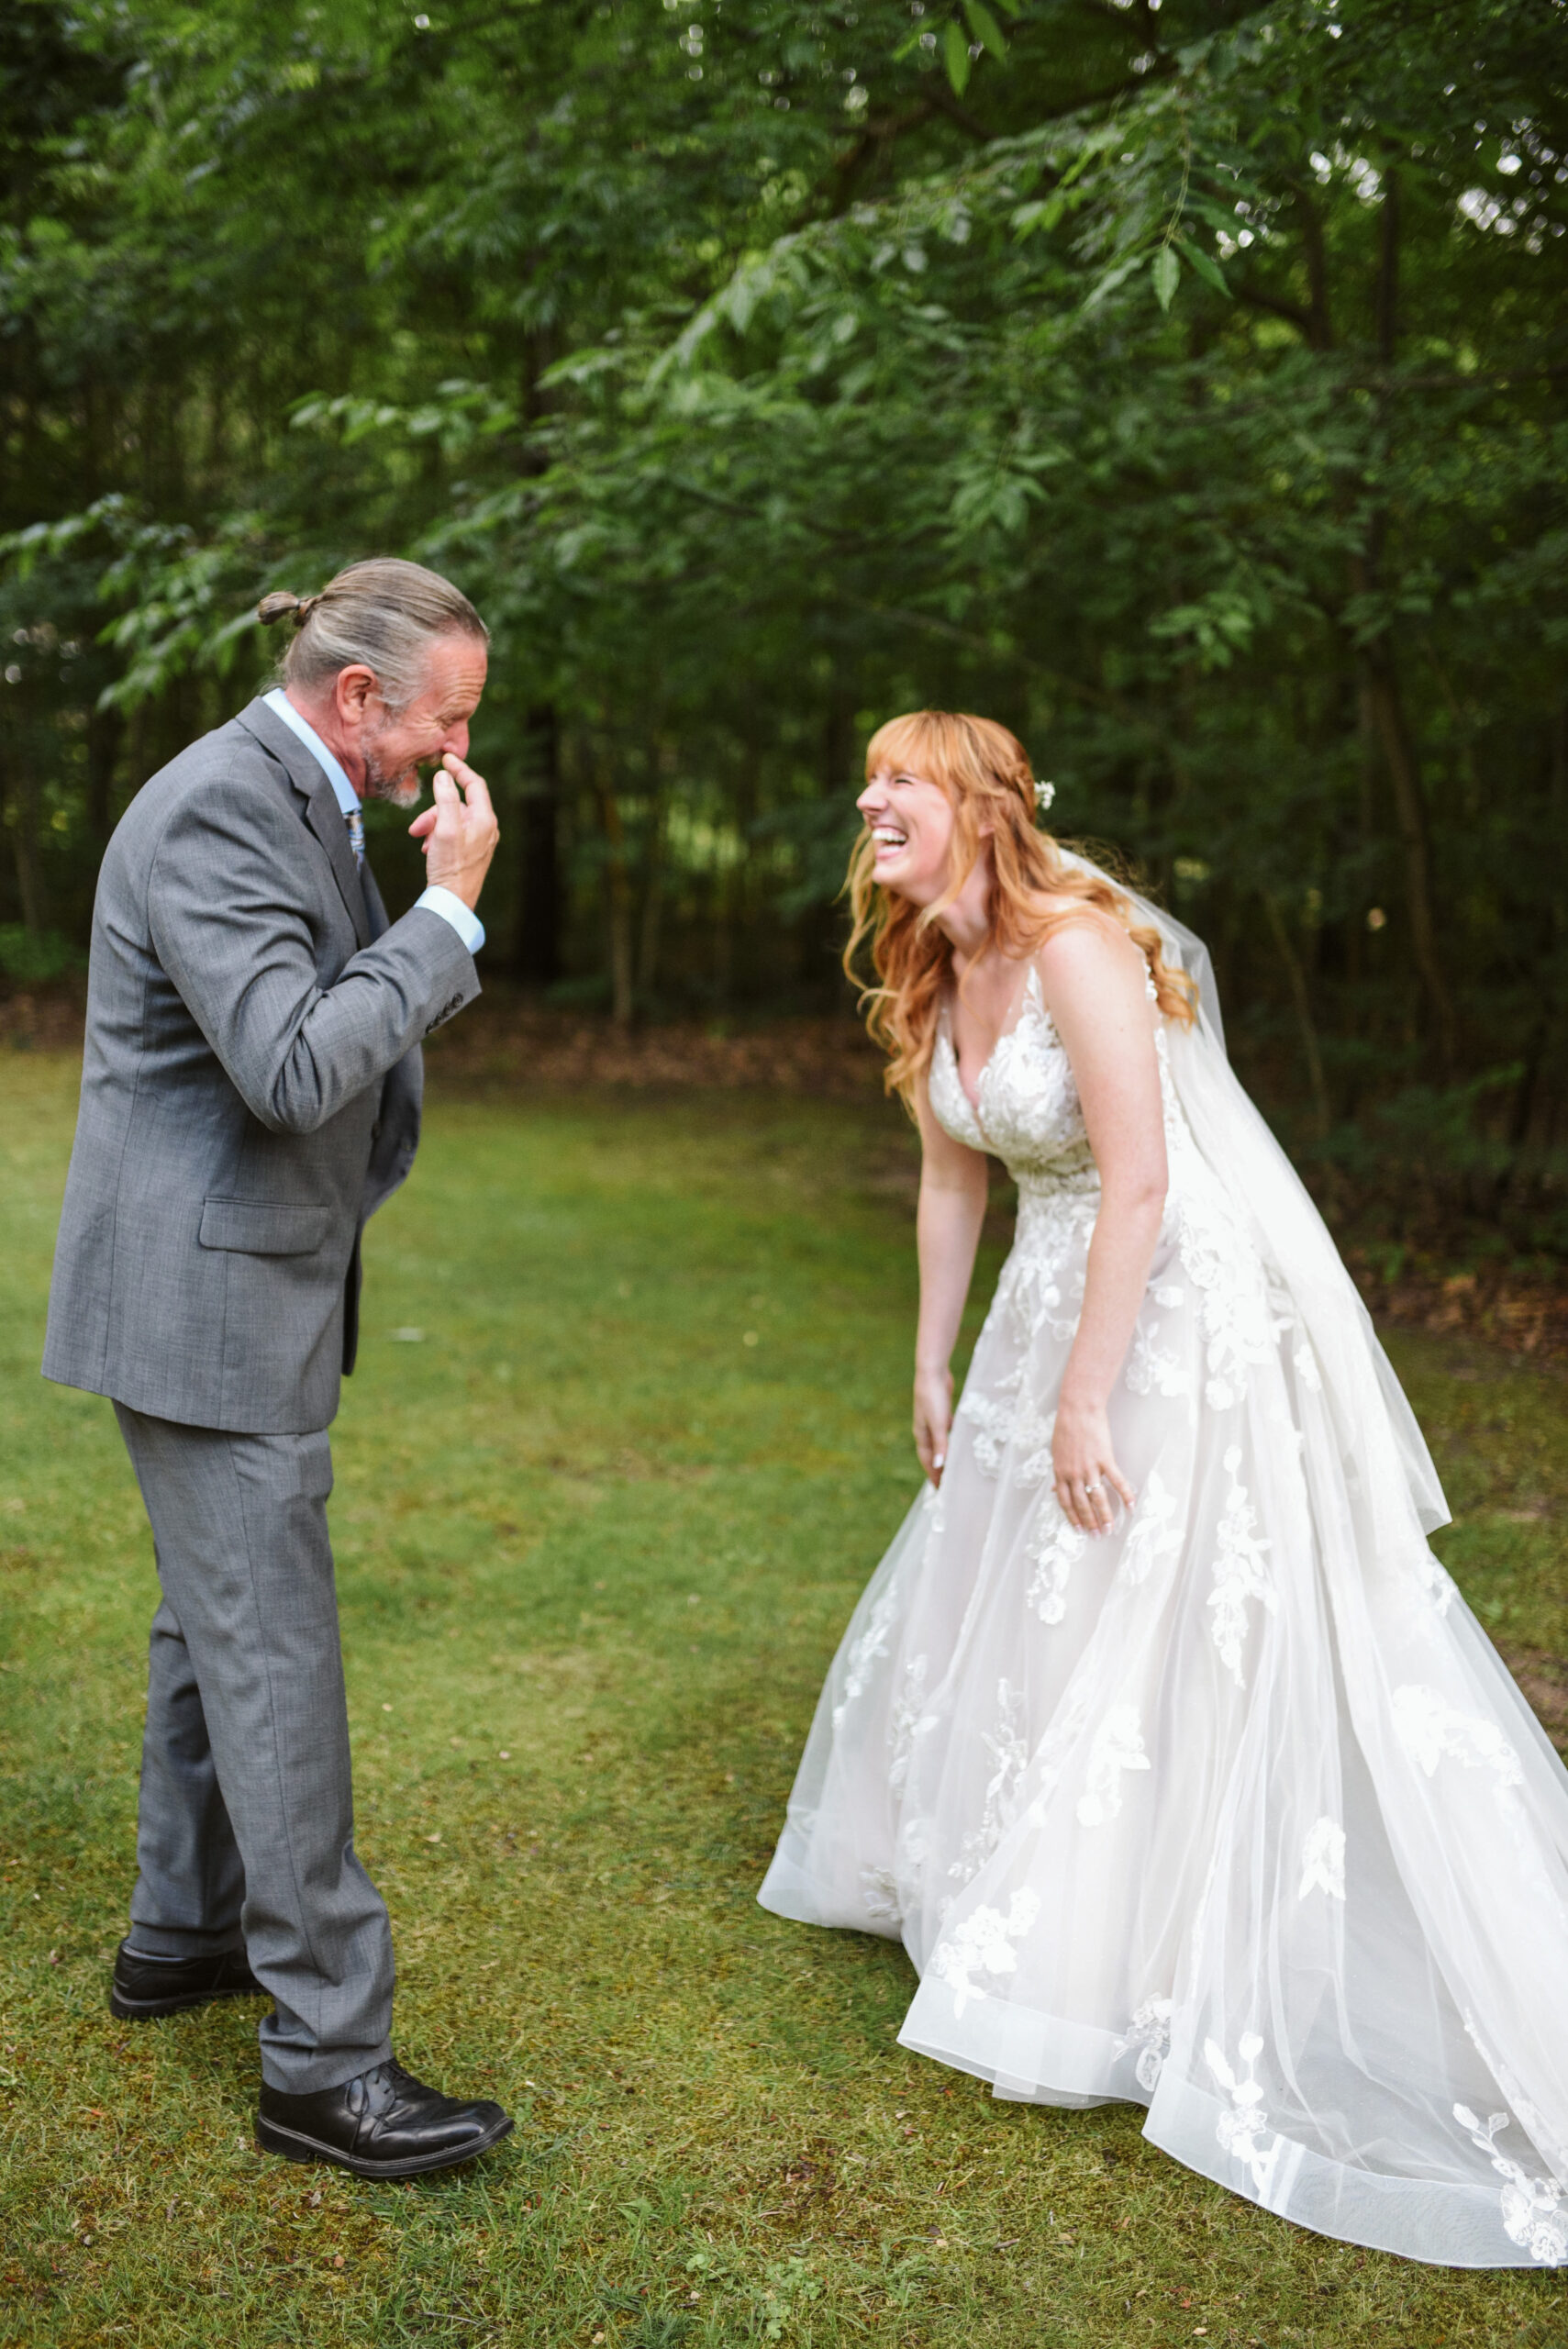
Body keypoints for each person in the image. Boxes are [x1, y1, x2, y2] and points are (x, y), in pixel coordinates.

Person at [760, 710, 1568, 2269]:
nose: (868, 799)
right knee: (1033, 1596)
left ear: (980, 805)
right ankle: (1047, 1894)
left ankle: (1145, 1937)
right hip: (1043, 1301)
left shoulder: (1081, 945)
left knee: (1144, 1586)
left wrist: (1085, 1394)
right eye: (865, 779)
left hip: (1175, 1306)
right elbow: (952, 1174)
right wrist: (931, 1364)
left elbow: (1139, 1175)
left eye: (897, 780)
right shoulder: (937, 957)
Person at [43, 557, 515, 2179]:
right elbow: (297, 1063)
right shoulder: (217, 809)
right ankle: (327, 2066)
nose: (460, 749)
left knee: (208, 1628)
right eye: (447, 716)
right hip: (203, 1298)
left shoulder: (301, 796)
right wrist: (451, 910)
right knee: (271, 1662)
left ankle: (184, 1932)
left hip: (232, 1283)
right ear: (361, 698)